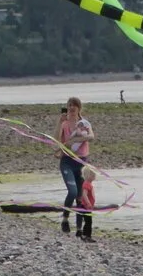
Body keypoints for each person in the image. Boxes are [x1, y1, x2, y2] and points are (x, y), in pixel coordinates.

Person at [57, 97, 93, 234]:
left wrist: (75, 139)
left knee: (80, 196)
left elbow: (91, 137)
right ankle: (65, 219)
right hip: (67, 161)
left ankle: (79, 229)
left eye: (74, 105)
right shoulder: (64, 124)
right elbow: (55, 139)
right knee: (72, 192)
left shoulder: (84, 123)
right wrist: (58, 122)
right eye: (69, 105)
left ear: (79, 108)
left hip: (82, 162)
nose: (71, 108)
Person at [76, 165, 98, 242]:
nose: (95, 176)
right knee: (88, 222)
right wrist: (88, 203)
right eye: (93, 175)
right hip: (85, 207)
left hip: (88, 207)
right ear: (89, 175)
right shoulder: (86, 184)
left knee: (88, 221)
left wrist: (92, 204)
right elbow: (84, 194)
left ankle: (85, 235)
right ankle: (87, 236)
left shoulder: (88, 183)